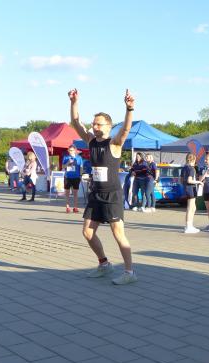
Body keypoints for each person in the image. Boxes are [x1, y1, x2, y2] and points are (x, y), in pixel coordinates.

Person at [68, 87, 137, 285]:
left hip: (112, 195)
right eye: (93, 123)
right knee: (88, 232)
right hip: (95, 194)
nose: (94, 126)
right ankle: (104, 264)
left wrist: (129, 109)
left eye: (98, 123)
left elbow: (126, 130)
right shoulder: (91, 141)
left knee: (118, 234)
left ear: (108, 126)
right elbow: (75, 122)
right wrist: (74, 103)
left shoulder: (114, 144)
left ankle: (129, 272)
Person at [181, 153, 202, 233]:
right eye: (195, 160)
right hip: (191, 188)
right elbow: (189, 180)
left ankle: (190, 225)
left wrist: (185, 185)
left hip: (186, 188)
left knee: (193, 207)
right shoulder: (191, 169)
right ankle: (188, 226)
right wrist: (199, 182)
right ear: (193, 160)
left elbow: (181, 180)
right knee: (190, 208)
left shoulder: (184, 168)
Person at [62, 145, 84, 213]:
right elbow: (63, 167)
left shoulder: (79, 158)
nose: (70, 152)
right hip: (67, 177)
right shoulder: (66, 157)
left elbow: (81, 167)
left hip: (76, 177)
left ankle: (75, 207)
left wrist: (81, 175)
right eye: (69, 150)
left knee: (75, 193)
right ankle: (67, 207)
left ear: (75, 151)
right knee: (67, 193)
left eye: (71, 150)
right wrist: (68, 162)